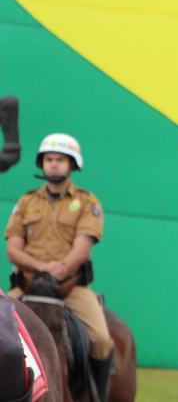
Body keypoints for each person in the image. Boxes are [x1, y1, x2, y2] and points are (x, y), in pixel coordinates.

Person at [4, 133, 114, 400]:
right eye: (49, 159)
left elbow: (82, 246)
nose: (53, 164)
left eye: (60, 160)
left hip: (70, 288)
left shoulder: (88, 202)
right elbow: (13, 249)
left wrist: (61, 269)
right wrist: (42, 267)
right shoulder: (26, 202)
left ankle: (99, 396)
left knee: (101, 339)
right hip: (27, 286)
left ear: (72, 164)